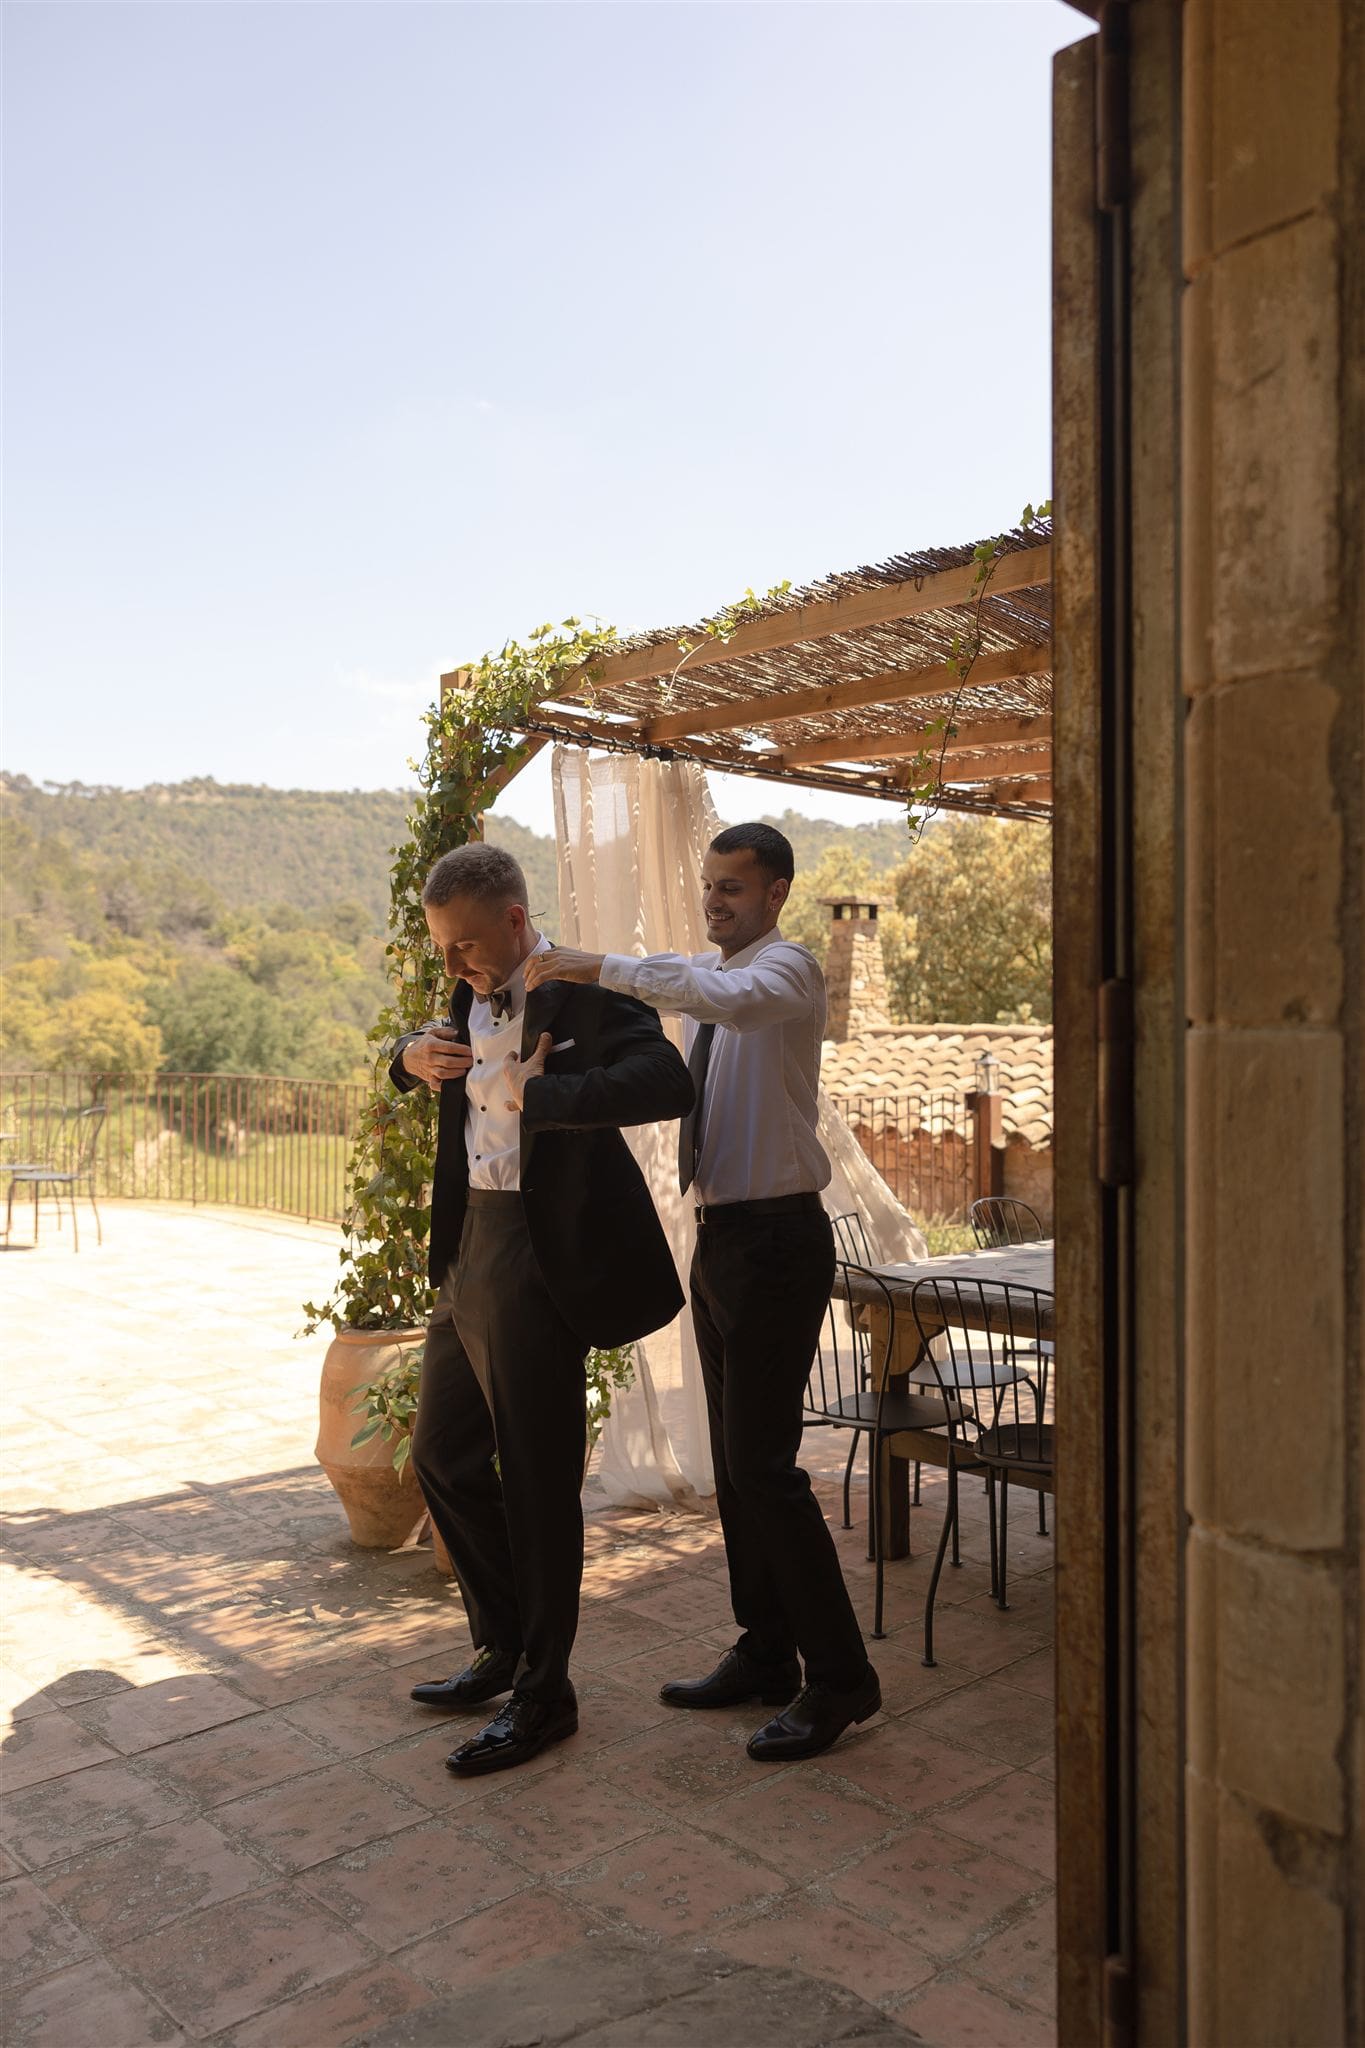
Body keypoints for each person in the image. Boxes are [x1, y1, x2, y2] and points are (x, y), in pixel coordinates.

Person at [525, 821, 880, 1762]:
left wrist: (601, 964)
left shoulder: (785, 973)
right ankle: (766, 1653)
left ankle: (841, 1678)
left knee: (765, 1470)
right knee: (737, 1471)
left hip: (777, 1243)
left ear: (775, 894)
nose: (715, 900)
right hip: (724, 1240)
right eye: (708, 885)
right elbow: (684, 981)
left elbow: (711, 994)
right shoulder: (715, 974)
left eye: (732, 888)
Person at [392, 843, 693, 1776]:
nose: (453, 967)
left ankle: (545, 1693)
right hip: (467, 1249)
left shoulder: (588, 993)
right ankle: (502, 1645)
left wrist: (544, 1094)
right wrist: (407, 1059)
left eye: (465, 946)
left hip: (542, 1254)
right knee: (441, 1453)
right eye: (441, 949)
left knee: (535, 1477)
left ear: (518, 924)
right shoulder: (461, 992)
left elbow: (667, 1081)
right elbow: (422, 1060)